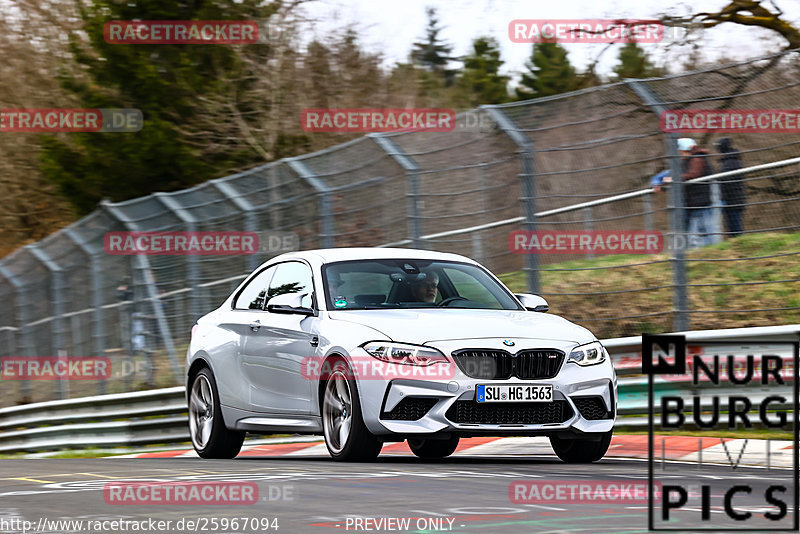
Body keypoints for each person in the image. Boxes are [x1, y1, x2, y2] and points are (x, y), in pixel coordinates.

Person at [678, 137, 714, 248]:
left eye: (680, 151)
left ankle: (710, 253)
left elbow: (694, 174)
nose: (679, 154)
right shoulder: (688, 161)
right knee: (694, 231)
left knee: (704, 231)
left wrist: (675, 179)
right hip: (692, 202)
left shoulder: (697, 159)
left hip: (700, 202)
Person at [715, 137, 746, 237]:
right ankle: (736, 241)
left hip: (733, 199)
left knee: (735, 226)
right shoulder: (731, 161)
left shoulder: (730, 162)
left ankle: (738, 243)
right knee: (733, 225)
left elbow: (727, 179)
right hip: (733, 198)